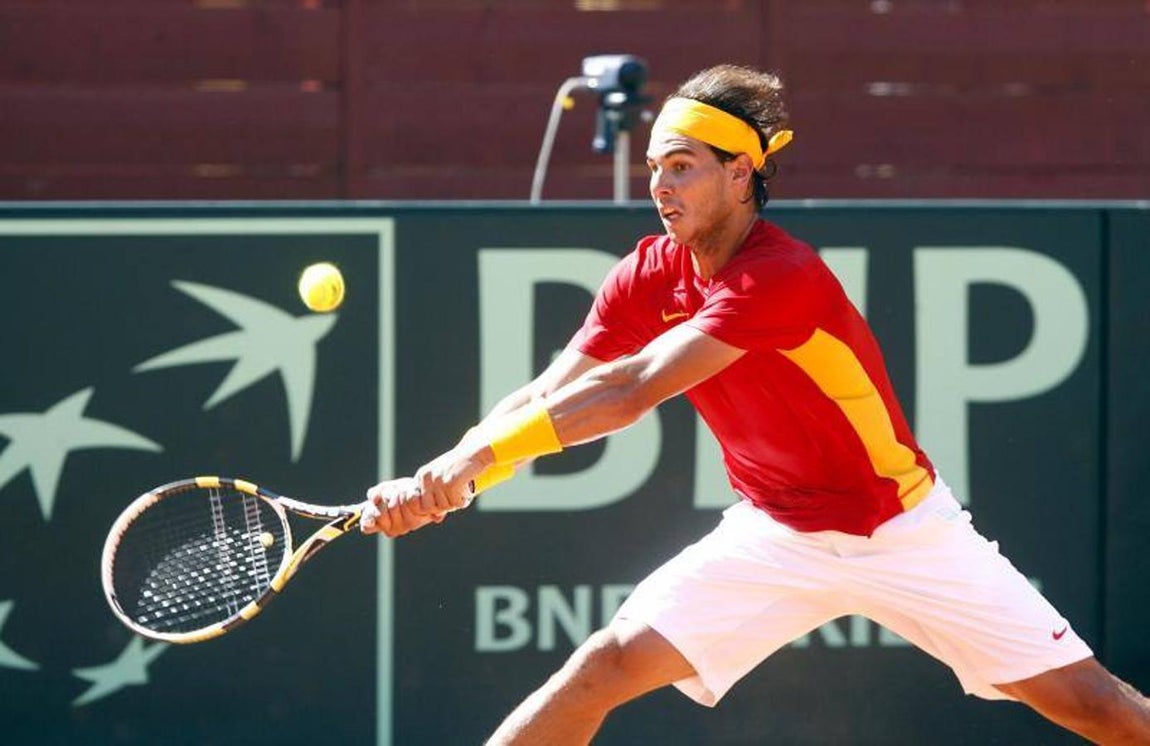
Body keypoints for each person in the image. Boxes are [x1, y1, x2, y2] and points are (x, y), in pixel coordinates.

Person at [361, 64, 1150, 744]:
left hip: (903, 530)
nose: (662, 188)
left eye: (683, 167)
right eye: (656, 169)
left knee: (1096, 711)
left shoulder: (781, 276)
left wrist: (473, 463)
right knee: (603, 664)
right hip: (774, 534)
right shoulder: (650, 271)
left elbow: (630, 393)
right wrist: (453, 473)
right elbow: (550, 390)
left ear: (742, 174)